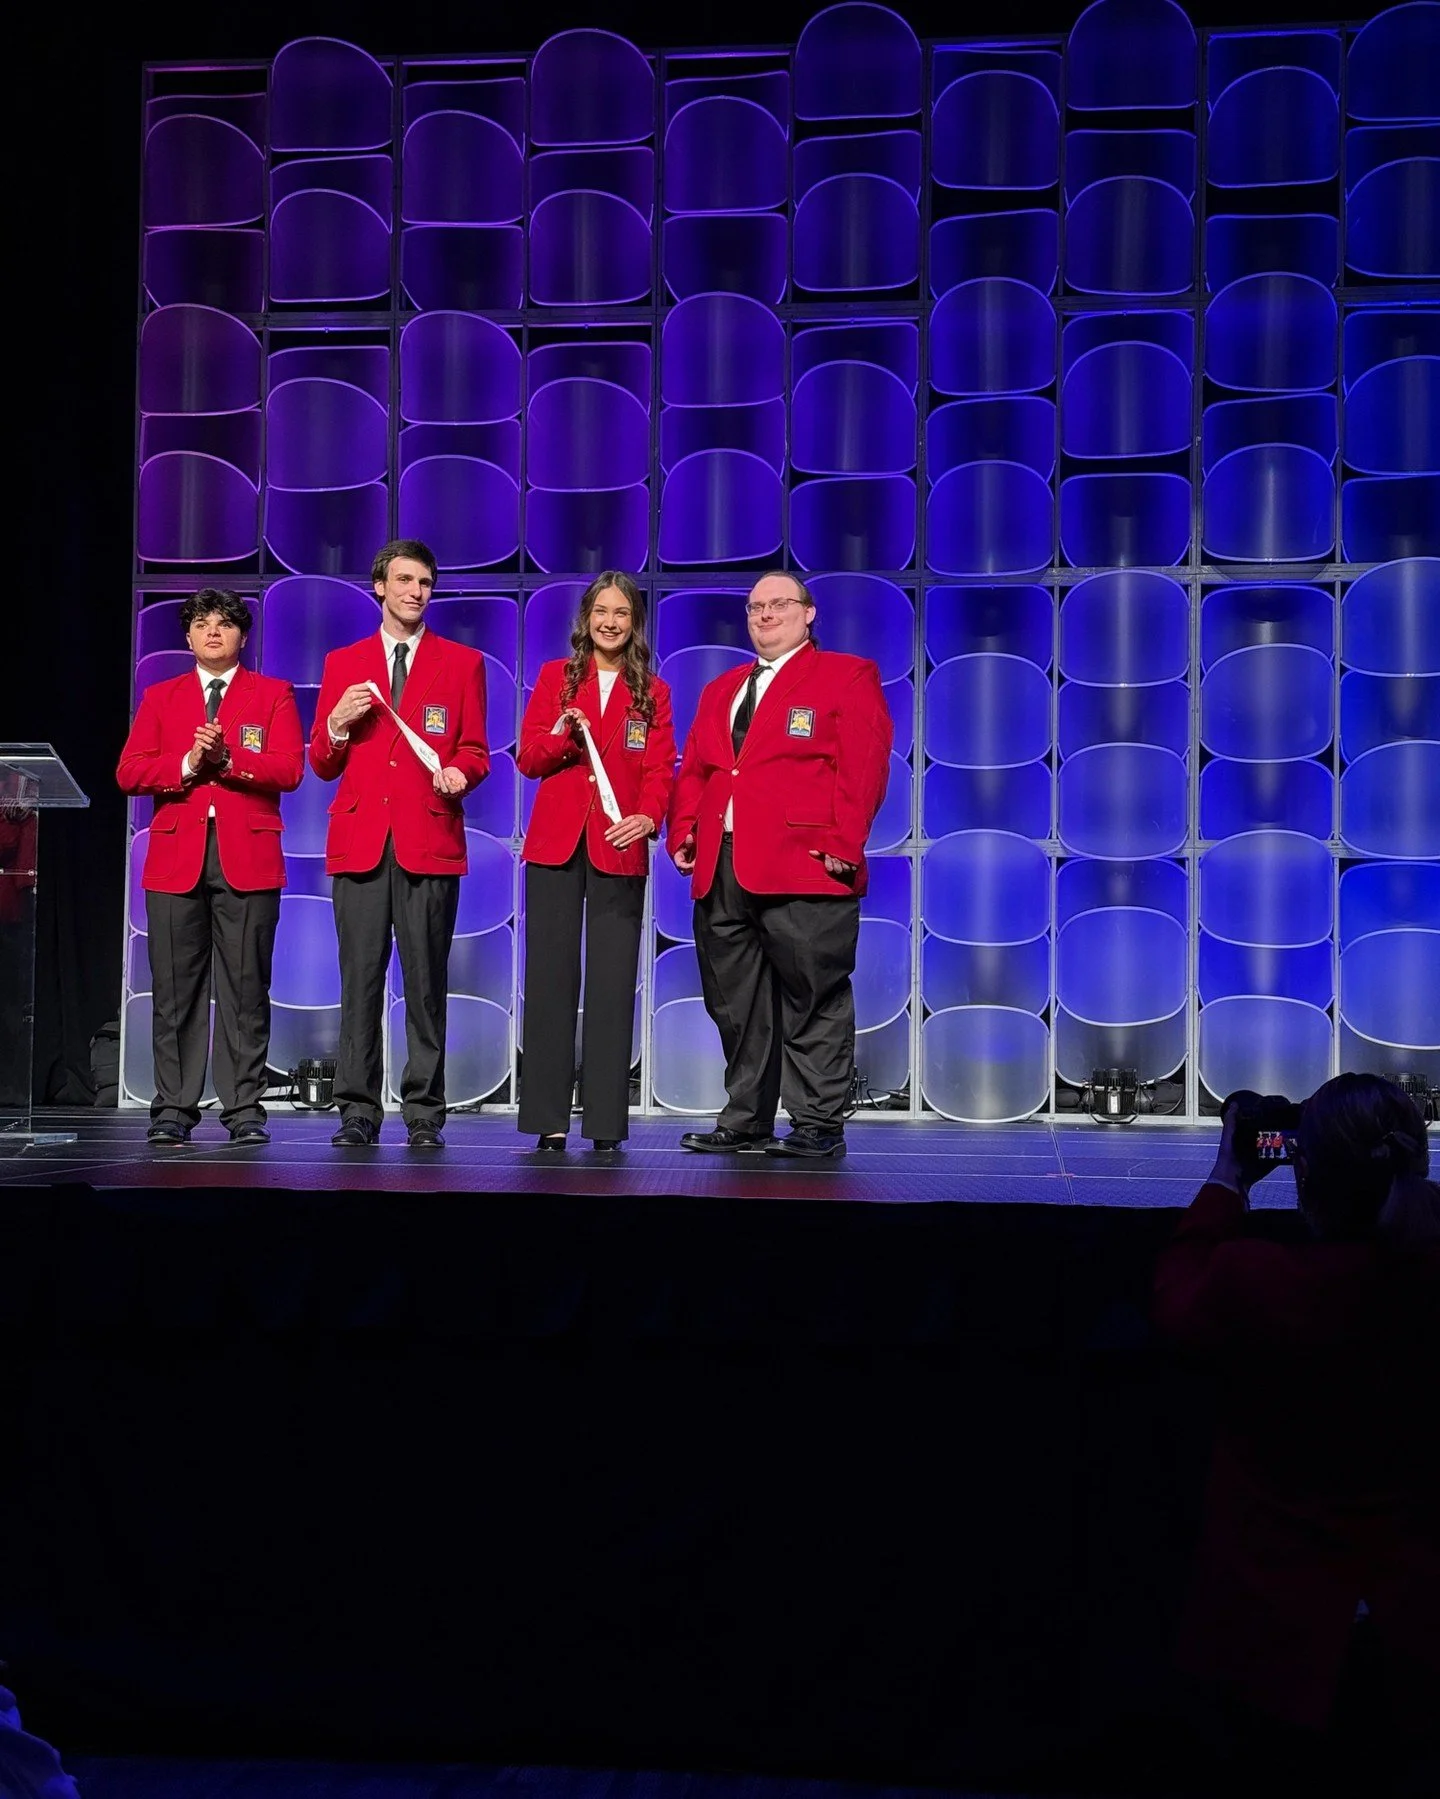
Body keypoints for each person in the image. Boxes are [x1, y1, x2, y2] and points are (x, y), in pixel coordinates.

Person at [1154, 1075, 1439, 1797]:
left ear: (1302, 1169)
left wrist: (1227, 1178)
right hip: (1416, 1627)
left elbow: (1177, 1297)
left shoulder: (1258, 1280)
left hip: (1272, 1635)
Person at [666, 571, 892, 1159]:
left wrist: (845, 844)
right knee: (734, 1003)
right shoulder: (722, 688)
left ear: (808, 613)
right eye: (756, 606)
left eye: (780, 604)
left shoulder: (847, 674)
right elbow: (698, 770)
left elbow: (864, 767)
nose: (766, 615)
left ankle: (817, 1124)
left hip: (806, 864)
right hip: (723, 865)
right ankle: (747, 1119)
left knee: (813, 995)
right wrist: (685, 831)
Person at [309, 539, 489, 1149]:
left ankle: (424, 1113)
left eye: (426, 582)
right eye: (404, 580)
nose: (416, 591)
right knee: (358, 981)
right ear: (379, 586)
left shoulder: (461, 663)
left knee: (425, 983)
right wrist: (335, 723)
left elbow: (476, 750)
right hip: (361, 841)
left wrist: (463, 771)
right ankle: (357, 1110)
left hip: (428, 840)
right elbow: (322, 762)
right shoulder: (344, 662)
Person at [116, 588, 304, 1144]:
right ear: (189, 636)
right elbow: (130, 772)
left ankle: (245, 1108)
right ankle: (173, 1107)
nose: (213, 632)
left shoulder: (272, 694)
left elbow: (289, 768)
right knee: (175, 991)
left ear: (243, 635)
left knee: (246, 989)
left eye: (225, 624)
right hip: (177, 858)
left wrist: (229, 761)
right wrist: (188, 763)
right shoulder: (161, 696)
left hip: (247, 856)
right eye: (202, 624)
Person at [516, 572, 675, 1154]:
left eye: (623, 614)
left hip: (619, 845)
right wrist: (561, 735)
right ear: (586, 618)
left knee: (612, 987)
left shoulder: (652, 693)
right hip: (555, 845)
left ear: (634, 623)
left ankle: (606, 1123)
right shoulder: (556, 679)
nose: (610, 622)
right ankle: (548, 1120)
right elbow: (529, 758)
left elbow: (661, 772)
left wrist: (651, 818)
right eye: (601, 611)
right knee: (550, 983)